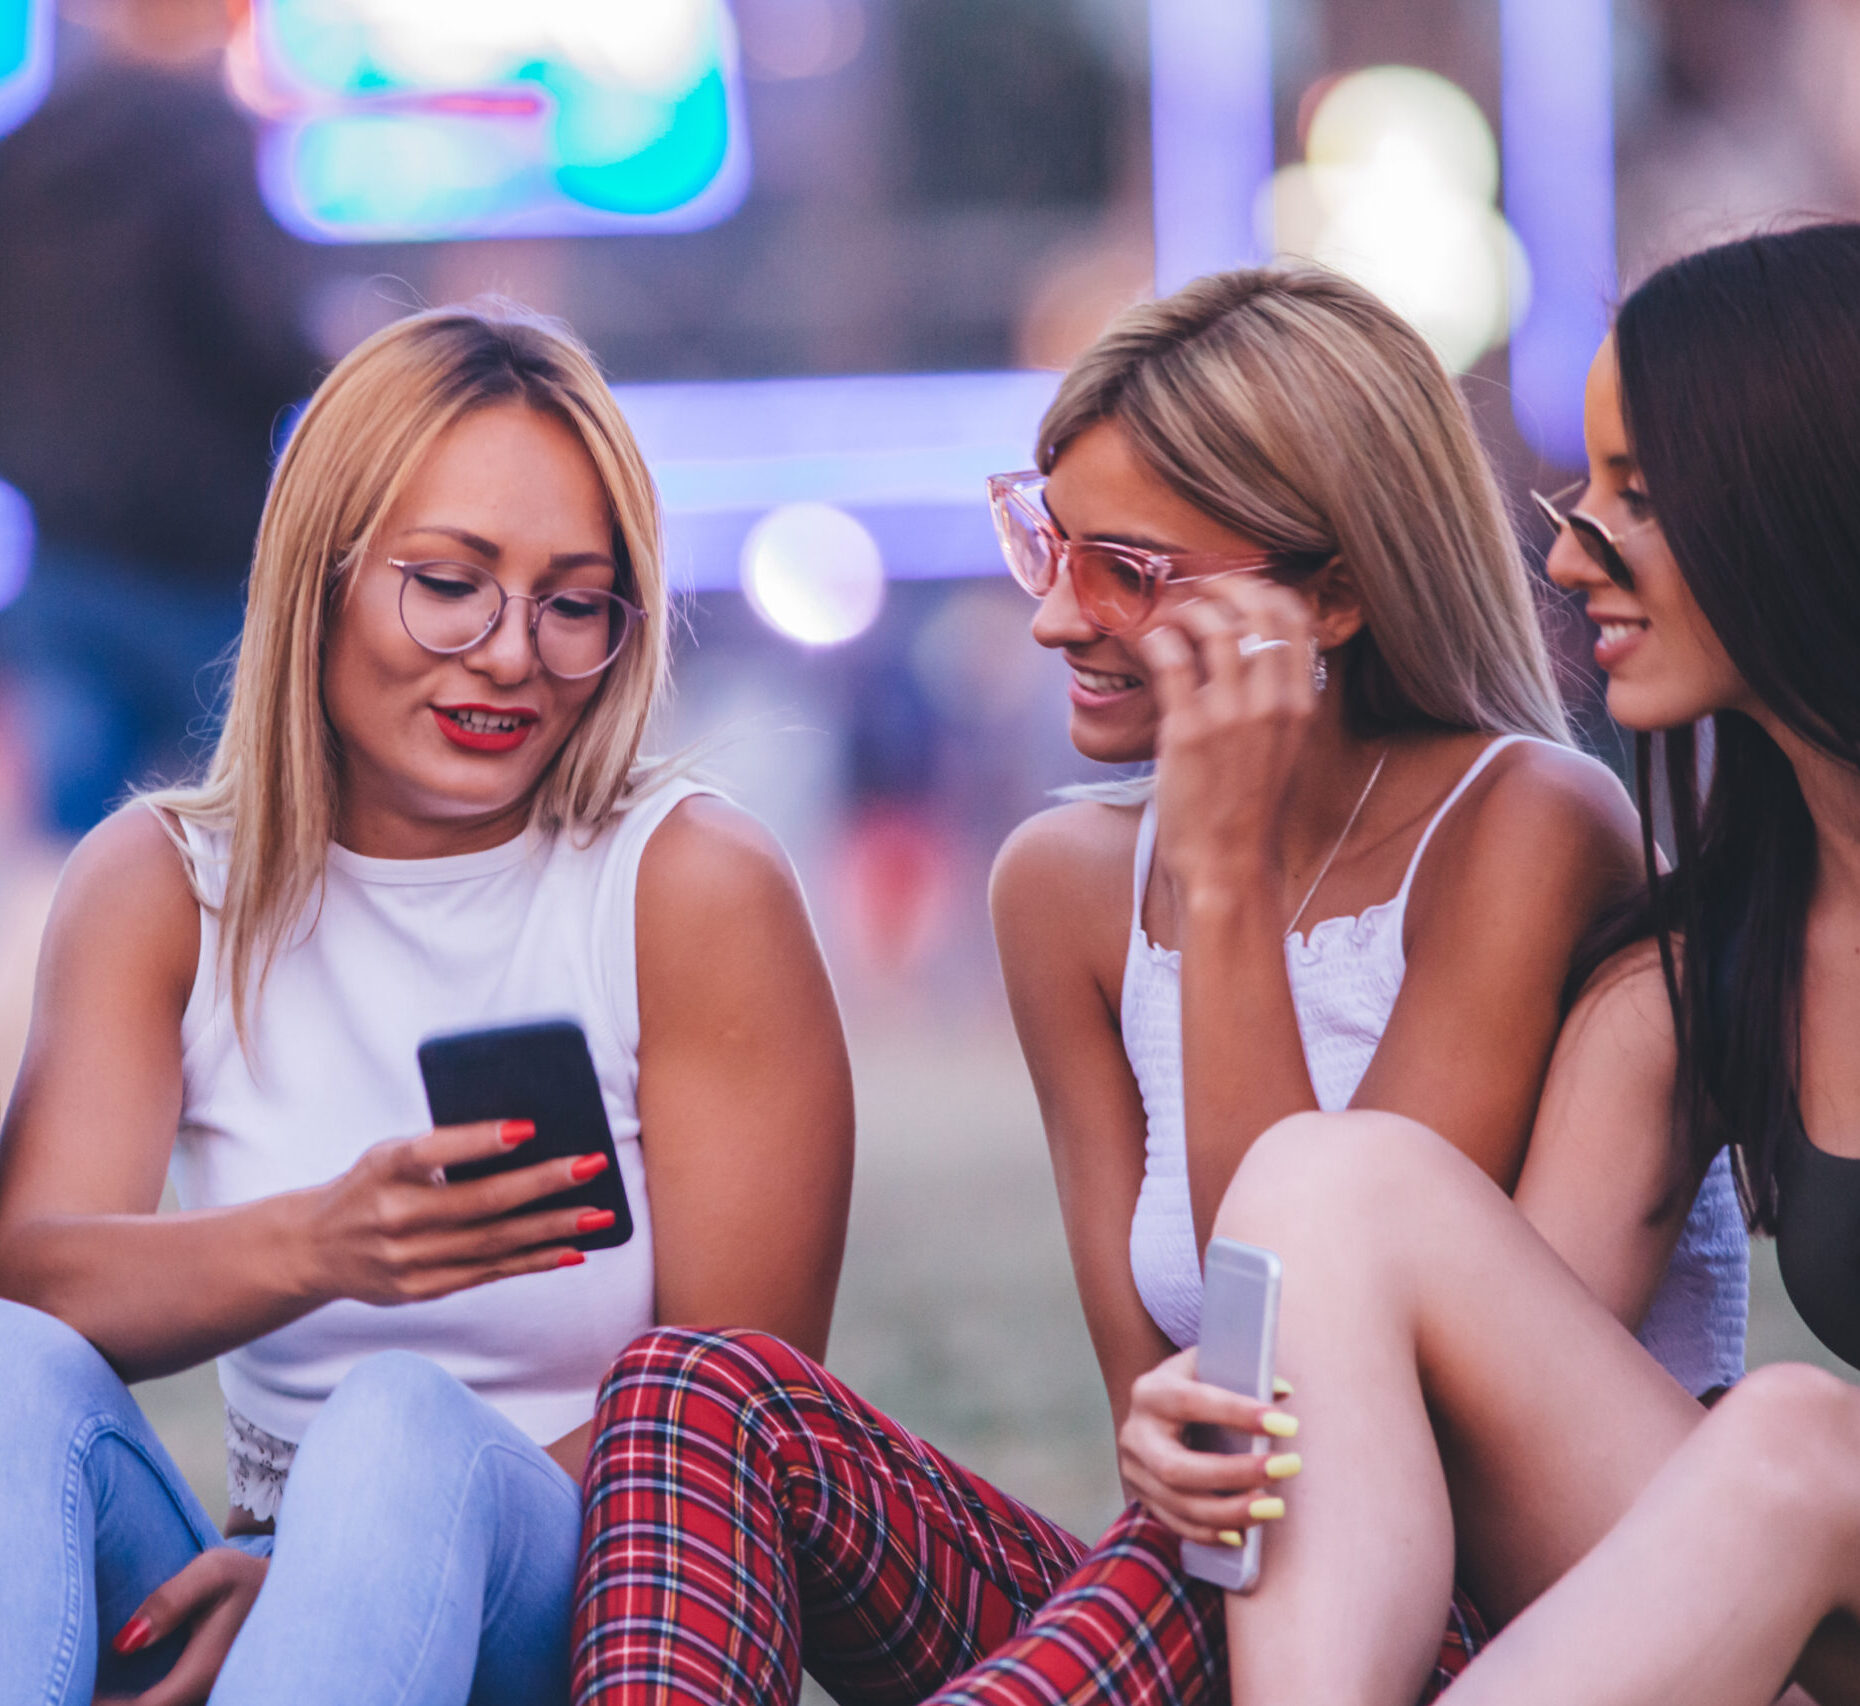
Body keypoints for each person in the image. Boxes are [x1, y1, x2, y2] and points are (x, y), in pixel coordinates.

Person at [568, 267, 1741, 1706]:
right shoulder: (1060, 887)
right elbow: (1174, 1416)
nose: (1057, 621)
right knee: (691, 1393)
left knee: (1263, 1486)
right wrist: (1154, 1449)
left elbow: (1320, 1370)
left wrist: (1230, 874)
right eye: (1043, 544)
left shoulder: (1527, 826)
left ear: (1336, 592)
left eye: (1126, 569)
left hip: (1494, 1612)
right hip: (1209, 1582)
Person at [0, 304, 854, 1705]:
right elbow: (33, 1282)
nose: (512, 652)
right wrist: (326, 1241)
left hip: (575, 1590)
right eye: (450, 582)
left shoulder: (689, 888)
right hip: (255, 1575)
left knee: (401, 1421)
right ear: (319, 574)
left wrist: (327, 1563)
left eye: (574, 602)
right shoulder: (160, 884)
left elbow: (724, 1431)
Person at [1122, 222, 1860, 1704]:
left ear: (1800, 505)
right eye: (1581, 490)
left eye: (1639, 497)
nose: (1571, 546)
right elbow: (1488, 1409)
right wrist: (1205, 1415)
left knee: (1794, 1438)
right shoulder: (1705, 967)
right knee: (1332, 1177)